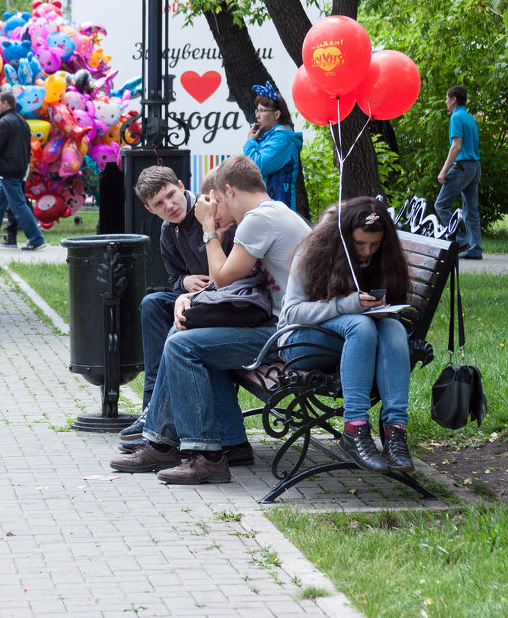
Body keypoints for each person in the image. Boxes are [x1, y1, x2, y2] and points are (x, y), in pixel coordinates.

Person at [110, 155, 312, 485]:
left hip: (286, 334)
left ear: (227, 192)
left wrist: (208, 229)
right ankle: (211, 443)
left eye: (215, 203)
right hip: (281, 324)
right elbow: (225, 284)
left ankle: (201, 455)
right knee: (180, 329)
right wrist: (187, 292)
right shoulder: (267, 214)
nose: (214, 213)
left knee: (181, 345)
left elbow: (224, 279)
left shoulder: (257, 220)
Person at [278, 196, 415, 473]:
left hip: (356, 344)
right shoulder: (314, 252)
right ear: (344, 236)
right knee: (360, 326)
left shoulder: (383, 261)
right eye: (360, 243)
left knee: (393, 327)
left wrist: (383, 310)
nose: (366, 251)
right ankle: (355, 429)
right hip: (301, 343)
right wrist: (347, 305)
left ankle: (395, 432)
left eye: (374, 245)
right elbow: (292, 312)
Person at [118, 166, 244, 459]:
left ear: (180, 185)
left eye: (171, 195)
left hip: (227, 298)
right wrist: (184, 281)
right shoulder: (167, 230)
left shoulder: (211, 210)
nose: (170, 206)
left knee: (183, 334)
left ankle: (164, 428)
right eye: (159, 204)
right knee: (152, 304)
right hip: (195, 298)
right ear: (150, 209)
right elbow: (174, 279)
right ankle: (150, 405)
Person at [0, 90, 45, 251]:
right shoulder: (22, 121)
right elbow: (27, 148)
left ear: (6, 103)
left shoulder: (5, 122)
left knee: (19, 205)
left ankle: (36, 238)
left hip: (7, 171)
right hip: (17, 169)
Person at [435, 85, 482, 259]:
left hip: (462, 167)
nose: (446, 101)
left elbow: (456, 146)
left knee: (441, 205)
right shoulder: (469, 117)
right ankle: (475, 249)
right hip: (475, 167)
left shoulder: (456, 117)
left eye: (447, 98)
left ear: (454, 99)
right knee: (471, 209)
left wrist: (443, 171)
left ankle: (462, 242)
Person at [242, 84, 304, 212]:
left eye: (262, 111)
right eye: (257, 111)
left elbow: (257, 167)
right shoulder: (270, 136)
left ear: (277, 114)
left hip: (278, 209)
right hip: (269, 207)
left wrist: (250, 142)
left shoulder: (283, 139)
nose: (257, 116)